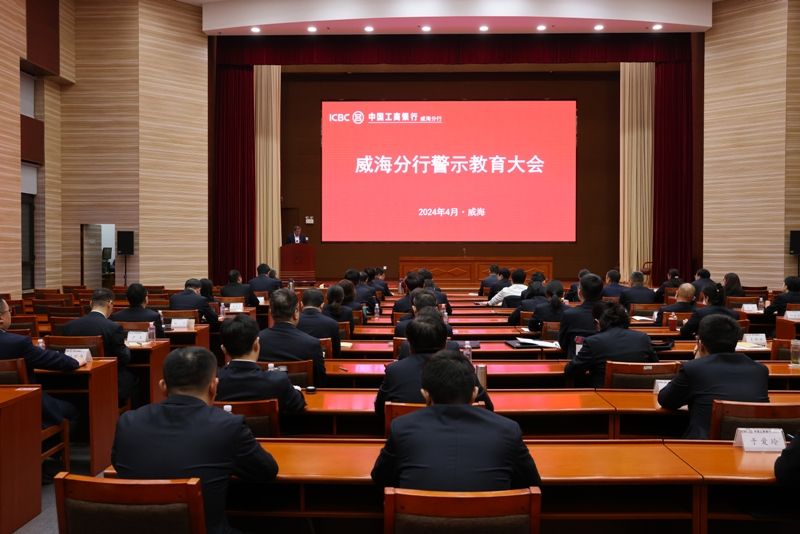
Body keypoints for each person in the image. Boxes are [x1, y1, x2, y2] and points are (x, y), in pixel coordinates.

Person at [112, 347, 279, 534]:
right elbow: (266, 471)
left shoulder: (128, 422)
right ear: (213, 386)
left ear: (163, 387)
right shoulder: (228, 426)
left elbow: (118, 465)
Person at [371, 350, 540, 491]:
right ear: (474, 394)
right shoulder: (508, 430)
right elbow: (531, 484)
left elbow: (380, 479)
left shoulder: (401, 428)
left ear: (425, 395)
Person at [658, 314, 769, 439]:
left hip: (705, 445)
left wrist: (696, 361)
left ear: (701, 344)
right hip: (750, 443)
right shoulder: (760, 370)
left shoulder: (694, 368)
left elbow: (666, 400)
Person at [375, 315, 493, 417]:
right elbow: (487, 408)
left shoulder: (394, 370)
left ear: (409, 344)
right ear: (445, 343)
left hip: (406, 432)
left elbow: (380, 410)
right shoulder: (462, 367)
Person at [0, 298, 81, 427]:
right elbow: (58, 361)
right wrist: (76, 360)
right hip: (24, 407)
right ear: (1, 318)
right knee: (72, 410)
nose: (10, 314)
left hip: (6, 406)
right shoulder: (17, 343)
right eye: (8, 311)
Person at [216, 314, 306, 413]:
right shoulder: (278, 381)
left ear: (223, 350)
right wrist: (296, 390)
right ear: (256, 344)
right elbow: (298, 405)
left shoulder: (213, 383)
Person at [63, 288, 137, 405]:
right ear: (110, 304)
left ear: (90, 303)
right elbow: (123, 358)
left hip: (74, 380)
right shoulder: (113, 327)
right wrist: (126, 348)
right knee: (132, 377)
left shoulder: (69, 326)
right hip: (106, 381)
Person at [564, 302, 657, 387]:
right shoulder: (643, 338)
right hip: (640, 395)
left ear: (599, 323)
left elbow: (571, 371)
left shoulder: (593, 342)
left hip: (601, 396)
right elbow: (655, 366)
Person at [258, 288, 326, 385]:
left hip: (266, 393)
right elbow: (321, 382)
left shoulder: (257, 341)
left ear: (270, 312)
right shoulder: (312, 344)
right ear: (296, 312)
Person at [558, 273, 603, 358]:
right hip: (604, 361)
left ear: (580, 292)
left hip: (576, 360)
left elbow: (563, 344)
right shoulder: (610, 313)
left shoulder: (569, 315)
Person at [296, 288, 341, 358]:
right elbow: (336, 353)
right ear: (322, 305)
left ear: (301, 304)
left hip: (299, 363)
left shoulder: (294, 322)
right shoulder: (332, 324)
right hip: (324, 362)